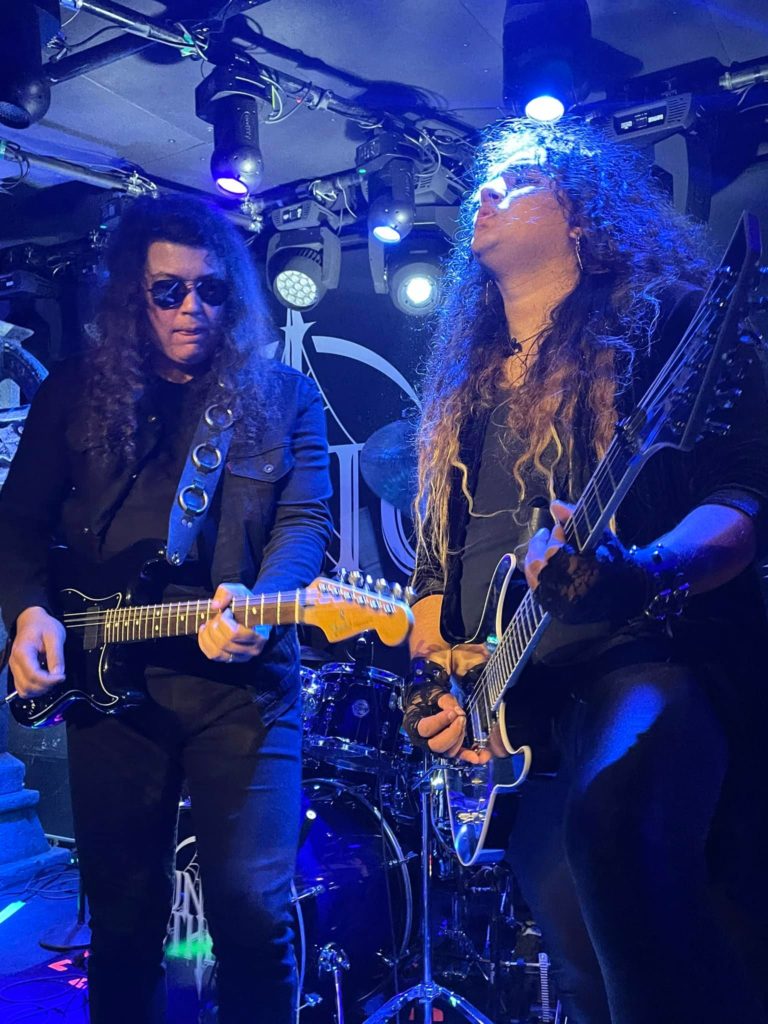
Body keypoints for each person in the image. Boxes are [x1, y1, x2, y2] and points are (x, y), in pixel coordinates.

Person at [402, 119, 768, 1024]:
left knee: (615, 832)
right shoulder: (465, 387)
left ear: (581, 218)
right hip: (522, 698)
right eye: (487, 181)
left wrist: (640, 572)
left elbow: (744, 497)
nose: (489, 191)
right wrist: (441, 681)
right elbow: (438, 571)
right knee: (574, 953)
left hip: (647, 649)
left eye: (523, 178)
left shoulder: (671, 324)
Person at [0, 194, 333, 1023]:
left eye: (211, 290)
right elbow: (18, 524)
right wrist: (28, 613)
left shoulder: (283, 397)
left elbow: (304, 521)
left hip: (243, 688)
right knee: (122, 921)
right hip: (108, 684)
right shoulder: (76, 392)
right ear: (133, 296)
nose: (192, 308)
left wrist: (262, 603)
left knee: (252, 914)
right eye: (168, 291)